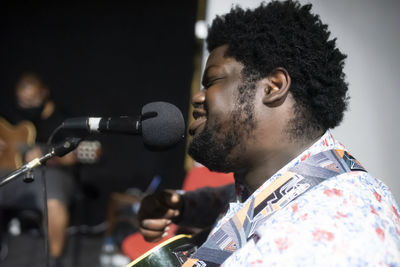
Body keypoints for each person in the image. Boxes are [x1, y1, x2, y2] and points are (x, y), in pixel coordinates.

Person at [137, 1, 400, 266]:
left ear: (273, 87)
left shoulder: (336, 236)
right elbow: (245, 205)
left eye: (213, 81)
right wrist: (182, 206)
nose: (198, 97)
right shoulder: (291, 182)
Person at [0, 73, 77, 267]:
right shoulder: (11, 115)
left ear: (44, 93)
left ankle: (53, 260)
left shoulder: (63, 120)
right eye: (22, 101)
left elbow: (73, 156)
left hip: (50, 173)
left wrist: (46, 156)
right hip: (12, 172)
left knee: (53, 201)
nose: (27, 105)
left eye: (32, 99)